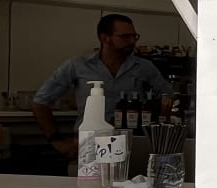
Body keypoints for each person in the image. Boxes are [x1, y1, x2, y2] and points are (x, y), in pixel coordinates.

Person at [32, 13, 171, 162]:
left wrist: (158, 129)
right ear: (105, 38)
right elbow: (40, 102)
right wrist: (57, 141)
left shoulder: (144, 67)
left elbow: (168, 97)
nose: (132, 41)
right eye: (125, 37)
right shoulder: (77, 66)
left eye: (134, 36)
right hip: (89, 145)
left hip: (132, 146)